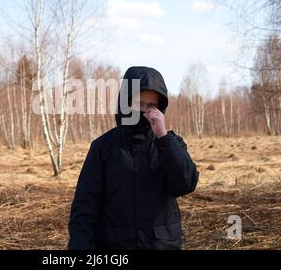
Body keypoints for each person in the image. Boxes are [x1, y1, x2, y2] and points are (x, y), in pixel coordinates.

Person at [68, 66, 199, 250]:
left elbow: (186, 185)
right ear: (125, 103)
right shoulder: (103, 147)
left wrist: (163, 138)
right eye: (138, 103)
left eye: (151, 105)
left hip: (161, 245)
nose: (145, 111)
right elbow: (85, 207)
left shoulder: (170, 144)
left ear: (160, 108)